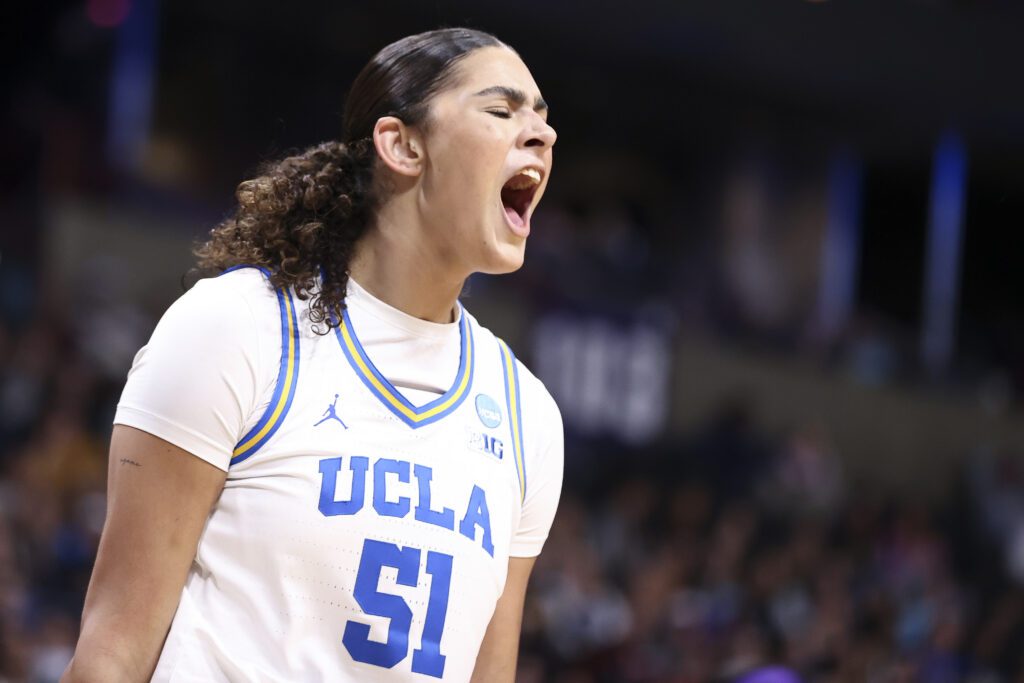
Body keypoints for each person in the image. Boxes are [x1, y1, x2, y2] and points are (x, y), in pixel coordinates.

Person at [63, 27, 563, 682]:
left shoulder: (527, 414)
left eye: (542, 119)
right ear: (402, 146)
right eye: (501, 110)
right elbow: (112, 655)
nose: (542, 134)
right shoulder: (239, 328)